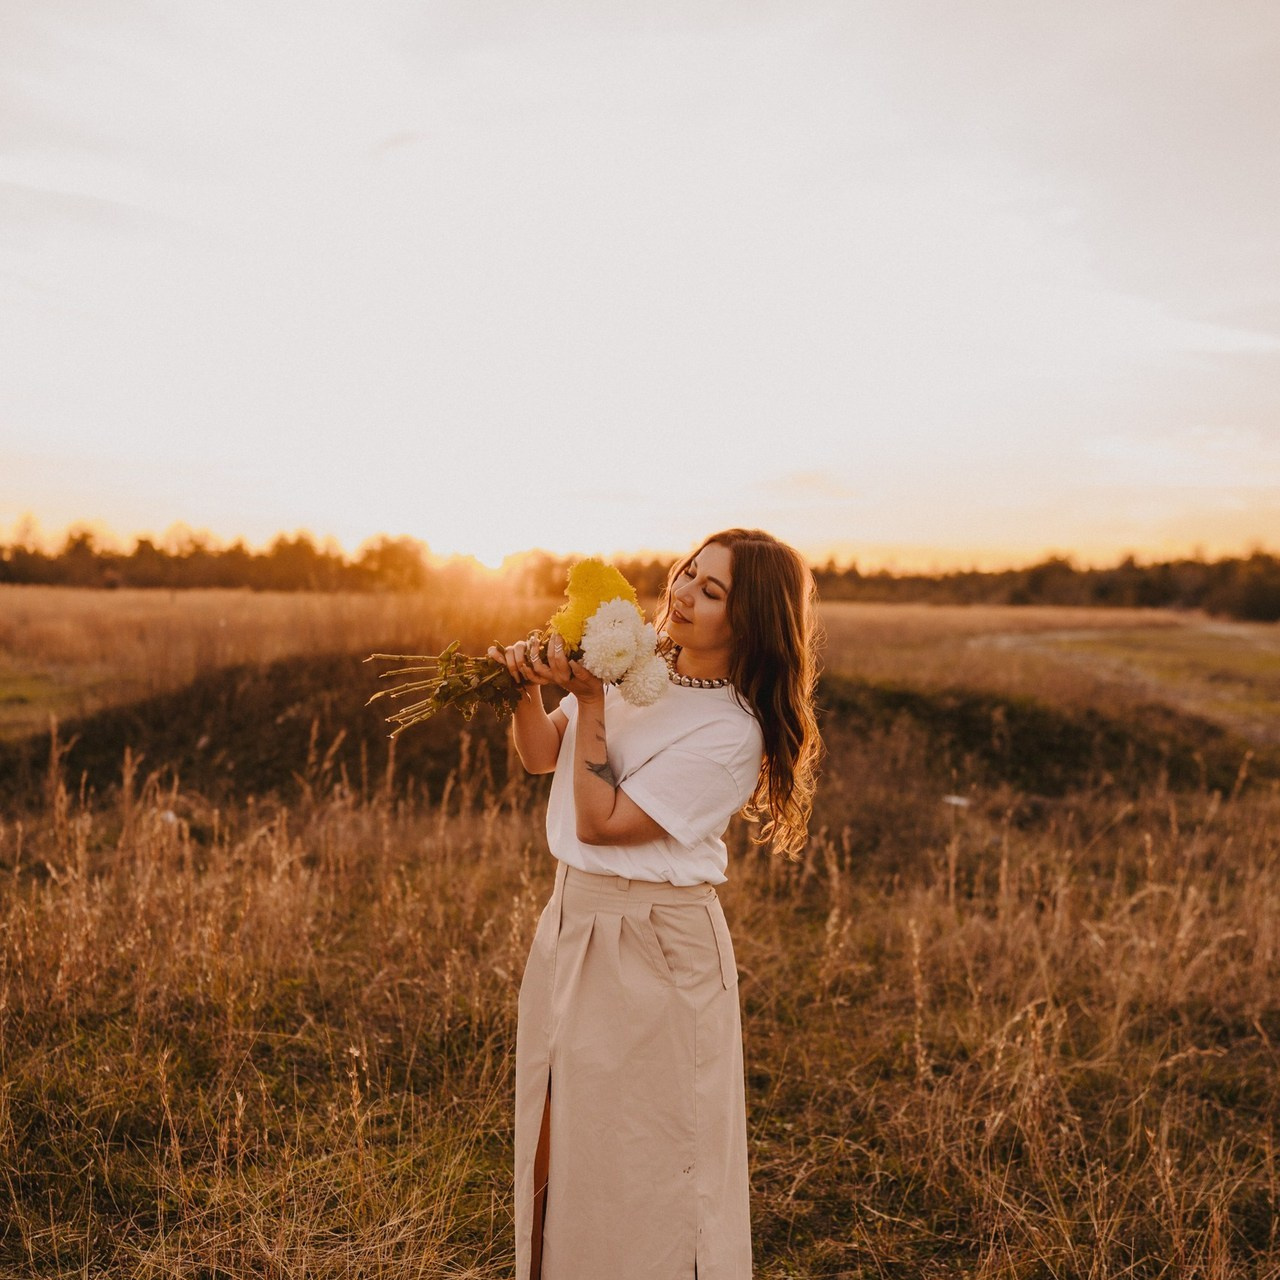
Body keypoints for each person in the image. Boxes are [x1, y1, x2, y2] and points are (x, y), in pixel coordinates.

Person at [487, 528, 822, 1280]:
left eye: (712, 591)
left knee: (648, 1156)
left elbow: (601, 824)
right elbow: (542, 755)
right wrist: (524, 686)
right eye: (688, 573)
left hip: (655, 943)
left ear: (751, 620)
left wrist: (591, 701)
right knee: (561, 1129)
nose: (683, 594)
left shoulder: (732, 732)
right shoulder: (632, 664)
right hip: (574, 918)